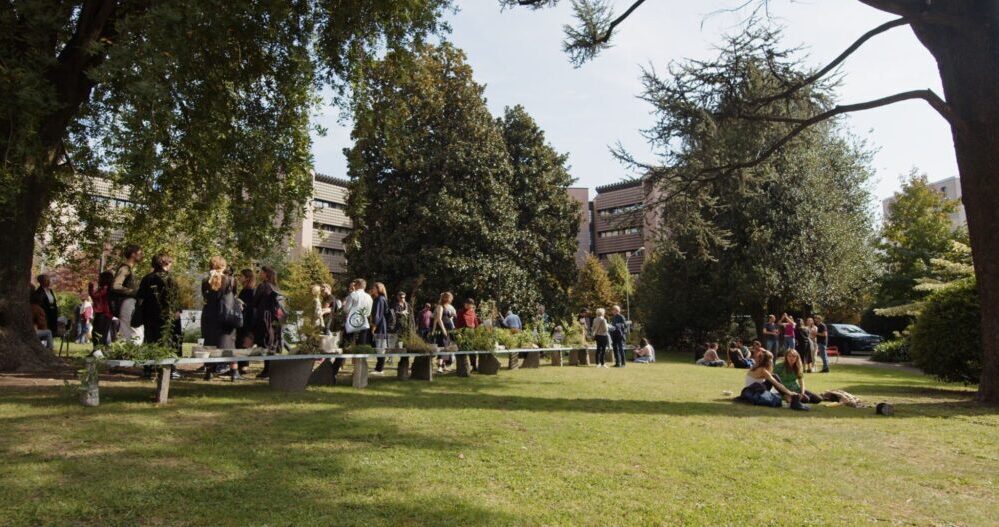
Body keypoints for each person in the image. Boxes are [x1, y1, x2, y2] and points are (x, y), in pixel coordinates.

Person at [136, 253, 181, 379]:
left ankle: (147, 370)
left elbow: (140, 297)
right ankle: (170, 369)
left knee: (150, 341)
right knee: (168, 341)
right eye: (170, 262)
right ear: (164, 263)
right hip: (166, 315)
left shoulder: (147, 278)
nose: (171, 265)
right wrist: (176, 311)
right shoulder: (169, 278)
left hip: (149, 314)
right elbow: (174, 298)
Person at [201, 256, 239, 380]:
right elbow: (234, 296)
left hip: (210, 316)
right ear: (223, 266)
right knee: (230, 343)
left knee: (210, 343)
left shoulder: (206, 280)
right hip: (225, 316)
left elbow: (205, 297)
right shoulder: (231, 280)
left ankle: (209, 372)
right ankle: (234, 372)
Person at [330, 279, 373, 382]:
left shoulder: (353, 295)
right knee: (361, 347)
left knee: (344, 347)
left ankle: (333, 372)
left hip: (351, 322)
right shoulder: (369, 297)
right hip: (363, 322)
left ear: (358, 285)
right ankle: (360, 374)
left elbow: (346, 309)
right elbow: (368, 312)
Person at [741, 350, 809, 410]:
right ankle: (790, 399)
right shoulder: (763, 370)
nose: (772, 361)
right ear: (768, 360)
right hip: (754, 393)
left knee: (774, 377)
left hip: (753, 390)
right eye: (771, 359)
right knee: (775, 381)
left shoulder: (756, 367)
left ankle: (789, 399)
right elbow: (776, 383)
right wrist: (790, 393)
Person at [252, 266, 281, 379]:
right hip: (274, 319)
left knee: (265, 343)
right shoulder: (276, 287)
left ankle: (267, 370)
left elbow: (255, 302)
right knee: (272, 343)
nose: (260, 274)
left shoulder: (263, 286)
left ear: (266, 274)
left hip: (264, 318)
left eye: (261, 272)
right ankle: (269, 369)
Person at [112, 245, 143, 343]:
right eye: (140, 253)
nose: (142, 255)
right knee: (135, 331)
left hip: (129, 303)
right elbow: (116, 285)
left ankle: (128, 354)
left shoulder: (129, 269)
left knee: (128, 332)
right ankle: (135, 354)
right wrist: (134, 292)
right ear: (133, 254)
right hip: (127, 303)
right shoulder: (125, 268)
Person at [88, 271, 116, 348]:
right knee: (101, 333)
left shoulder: (105, 288)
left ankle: (98, 350)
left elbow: (95, 296)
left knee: (97, 333)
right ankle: (98, 350)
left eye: (100, 278)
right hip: (105, 314)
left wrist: (90, 287)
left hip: (103, 313)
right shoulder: (108, 288)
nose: (98, 279)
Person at [433, 292, 456, 373]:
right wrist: (443, 330)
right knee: (442, 346)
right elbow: (438, 319)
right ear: (445, 298)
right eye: (450, 298)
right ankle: (439, 366)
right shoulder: (440, 306)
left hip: (449, 328)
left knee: (447, 347)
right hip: (443, 329)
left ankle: (444, 365)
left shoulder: (448, 307)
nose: (451, 299)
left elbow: (451, 317)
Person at [370, 282, 389, 374]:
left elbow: (377, 315)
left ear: (378, 289)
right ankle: (379, 368)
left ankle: (379, 369)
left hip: (380, 327)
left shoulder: (379, 299)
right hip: (381, 326)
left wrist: (374, 326)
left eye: (373, 288)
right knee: (380, 346)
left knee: (380, 347)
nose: (372, 289)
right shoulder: (381, 299)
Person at [456, 298, 480, 371]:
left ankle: (474, 365)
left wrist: (477, 331)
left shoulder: (472, 311)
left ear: (472, 305)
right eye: (466, 304)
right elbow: (458, 323)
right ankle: (463, 366)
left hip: (472, 332)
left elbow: (475, 321)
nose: (467, 305)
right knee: (463, 349)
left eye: (469, 304)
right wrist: (458, 333)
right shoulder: (460, 312)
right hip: (463, 331)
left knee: (472, 349)